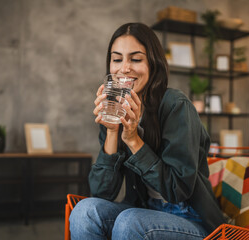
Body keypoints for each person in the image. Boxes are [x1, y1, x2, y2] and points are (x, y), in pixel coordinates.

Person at [70, 22, 225, 240]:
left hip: (190, 218)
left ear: (153, 63)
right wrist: (113, 133)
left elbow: (177, 191)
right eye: (117, 59)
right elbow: (102, 193)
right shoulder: (115, 110)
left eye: (135, 59)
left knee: (130, 221)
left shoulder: (176, 105)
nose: (124, 68)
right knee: (84, 211)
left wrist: (133, 140)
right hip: (143, 210)